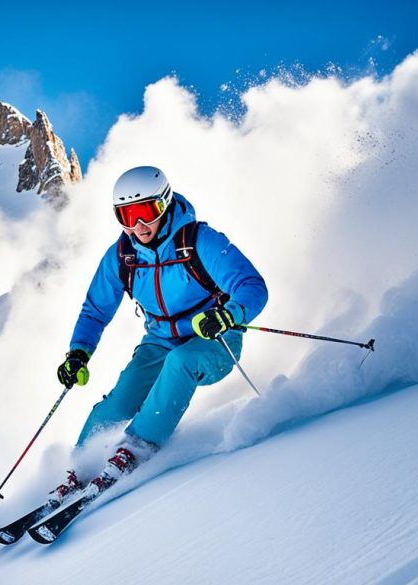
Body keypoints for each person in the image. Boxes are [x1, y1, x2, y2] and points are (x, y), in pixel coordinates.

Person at [52, 166, 267, 498]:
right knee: (118, 400)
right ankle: (81, 468)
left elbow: (252, 286)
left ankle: (135, 449)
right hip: (159, 341)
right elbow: (95, 310)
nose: (138, 226)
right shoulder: (122, 257)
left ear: (164, 204)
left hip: (213, 338)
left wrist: (228, 315)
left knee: (181, 361)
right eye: (126, 216)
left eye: (145, 212)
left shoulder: (199, 241)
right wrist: (78, 353)